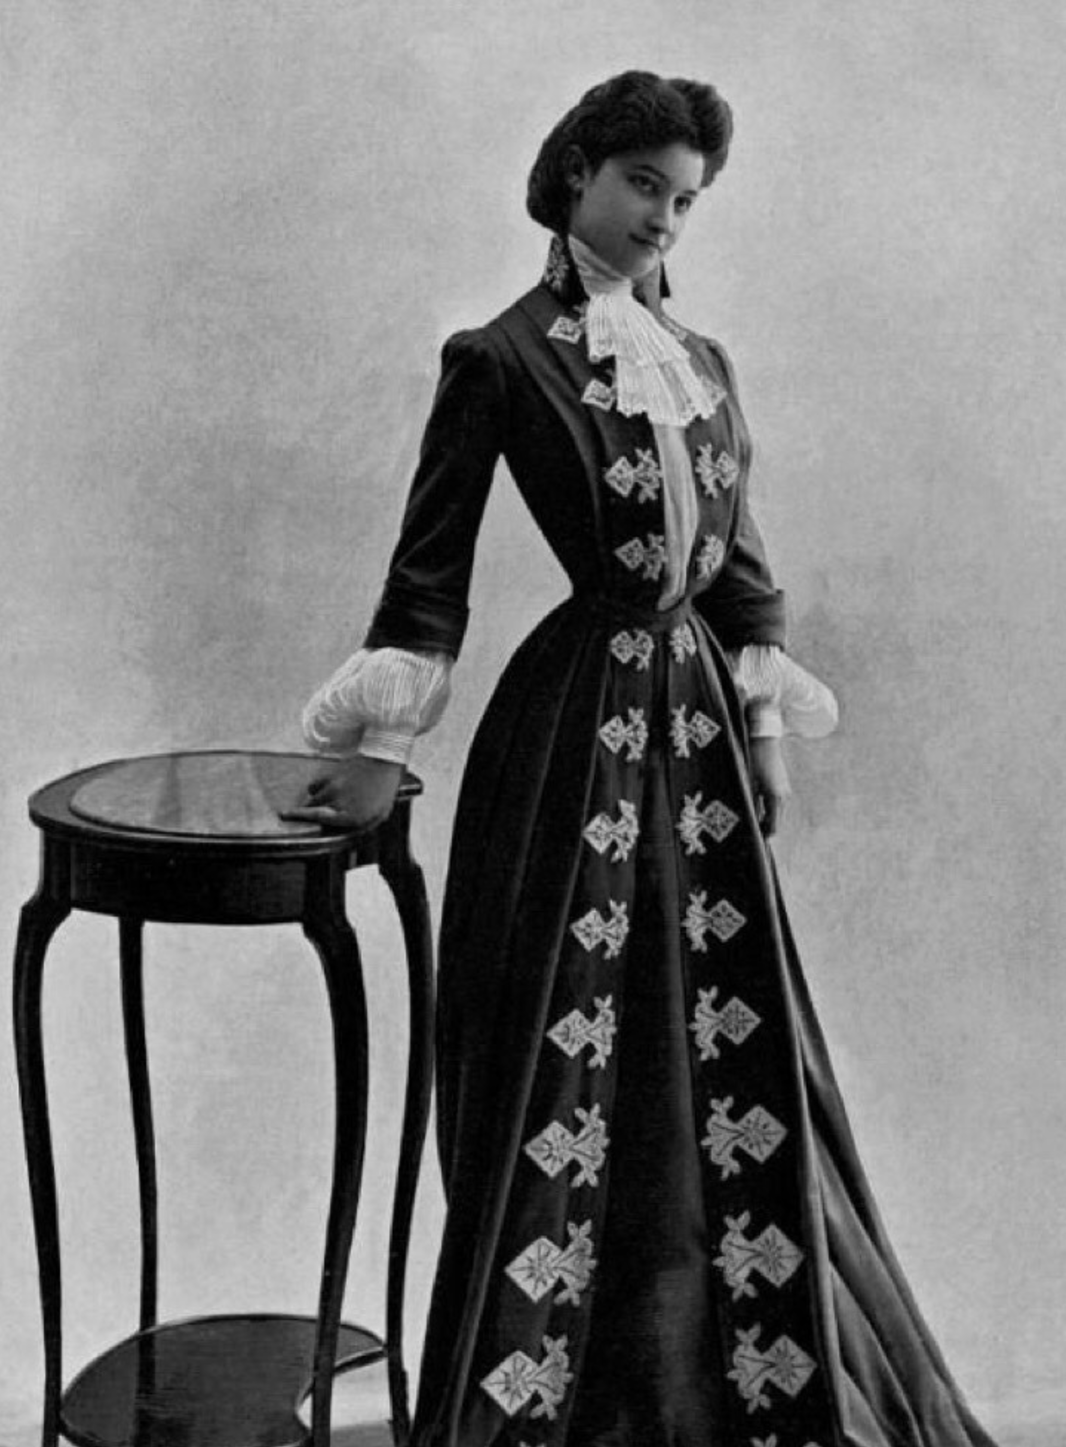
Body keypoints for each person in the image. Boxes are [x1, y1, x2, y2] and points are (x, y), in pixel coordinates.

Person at [287, 70, 996, 1447]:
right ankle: (565, 1390)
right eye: (642, 187)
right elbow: (426, 582)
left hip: (703, 743)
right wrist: (378, 742)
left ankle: (740, 1384)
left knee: (715, 1036)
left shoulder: (709, 366)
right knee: (573, 1041)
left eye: (684, 200)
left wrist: (770, 723)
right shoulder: (500, 359)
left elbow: (741, 570)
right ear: (573, 177)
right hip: (572, 743)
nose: (664, 218)